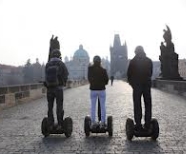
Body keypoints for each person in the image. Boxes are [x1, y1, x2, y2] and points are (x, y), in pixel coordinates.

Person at [127, 46, 153, 131]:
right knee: (148, 105)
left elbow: (129, 75)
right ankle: (148, 124)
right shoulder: (149, 61)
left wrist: (133, 84)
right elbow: (150, 73)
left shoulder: (133, 62)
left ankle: (138, 124)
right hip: (146, 85)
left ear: (136, 52)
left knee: (137, 105)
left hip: (137, 86)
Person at [45, 49, 69, 130]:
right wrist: (63, 82)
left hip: (49, 89)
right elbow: (66, 74)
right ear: (59, 56)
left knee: (50, 107)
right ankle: (59, 124)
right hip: (58, 88)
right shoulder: (61, 63)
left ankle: (50, 124)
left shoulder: (48, 64)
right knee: (59, 106)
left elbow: (46, 76)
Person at [88, 55, 109, 128]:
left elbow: (89, 79)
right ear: (100, 61)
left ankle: (93, 122)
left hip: (93, 90)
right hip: (101, 90)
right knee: (103, 106)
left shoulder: (90, 69)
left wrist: (94, 83)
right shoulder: (103, 70)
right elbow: (106, 81)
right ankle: (102, 122)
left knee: (93, 107)